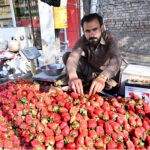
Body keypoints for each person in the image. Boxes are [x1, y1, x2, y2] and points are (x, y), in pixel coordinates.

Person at [63, 13, 122, 96]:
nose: (92, 34)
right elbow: (73, 58)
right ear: (83, 31)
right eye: (88, 31)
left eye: (95, 29)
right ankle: (83, 83)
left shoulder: (109, 37)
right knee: (67, 56)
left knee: (111, 88)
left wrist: (102, 77)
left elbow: (117, 60)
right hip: (90, 72)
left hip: (107, 75)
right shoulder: (82, 40)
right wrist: (72, 76)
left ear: (102, 28)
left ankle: (91, 83)